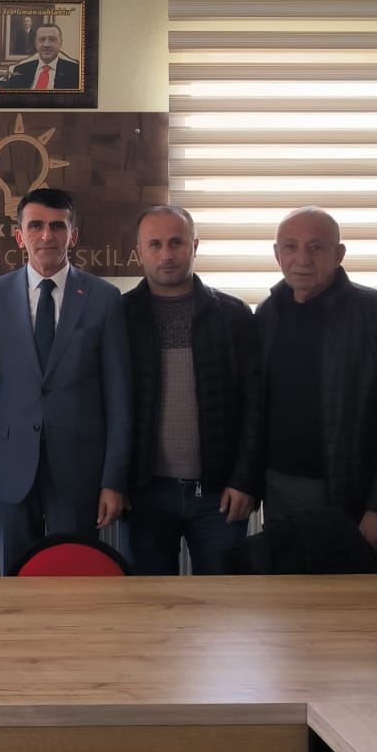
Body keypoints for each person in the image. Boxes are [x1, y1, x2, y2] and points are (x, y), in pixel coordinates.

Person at [254, 206, 377, 571]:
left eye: (316, 247)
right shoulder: (268, 314)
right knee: (289, 601)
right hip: (281, 493)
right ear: (276, 254)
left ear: (338, 254)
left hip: (358, 499)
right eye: (290, 246)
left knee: (365, 603)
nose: (302, 259)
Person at [0, 187, 131, 570]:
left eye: (58, 226)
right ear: (20, 236)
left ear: (72, 235)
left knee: (76, 576)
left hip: (80, 470)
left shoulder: (104, 299)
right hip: (11, 468)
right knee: (16, 575)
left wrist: (114, 480)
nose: (47, 235)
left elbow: (119, 397)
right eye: (36, 226)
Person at [122, 204, 262, 574]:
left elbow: (255, 406)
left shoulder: (233, 315)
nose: (166, 255)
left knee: (220, 602)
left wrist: (246, 481)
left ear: (194, 246)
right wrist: (115, 483)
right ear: (139, 252)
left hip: (219, 494)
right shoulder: (120, 317)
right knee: (150, 602)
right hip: (145, 493)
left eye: (176, 243)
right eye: (155, 245)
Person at [0, 21, 80, 90]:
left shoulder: (75, 71)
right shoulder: (20, 70)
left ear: (61, 43)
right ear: (35, 43)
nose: (46, 45)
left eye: (52, 39)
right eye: (42, 39)